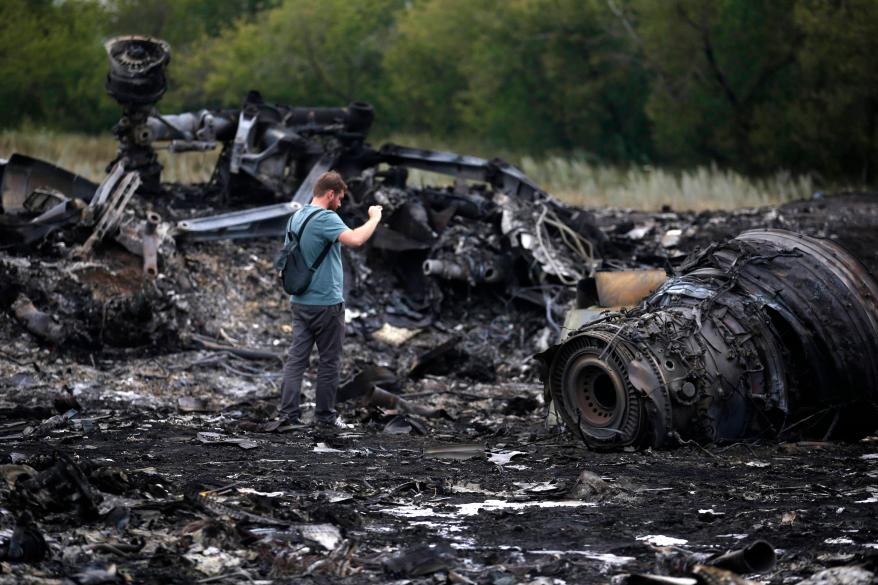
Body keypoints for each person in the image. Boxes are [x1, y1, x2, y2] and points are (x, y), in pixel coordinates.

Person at [277, 171, 382, 429]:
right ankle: (324, 417)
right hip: (326, 304)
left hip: (299, 302)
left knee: (296, 360)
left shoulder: (295, 218)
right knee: (329, 362)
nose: (341, 204)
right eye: (340, 198)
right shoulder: (326, 218)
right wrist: (374, 217)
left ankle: (288, 416)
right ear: (330, 193)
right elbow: (356, 239)